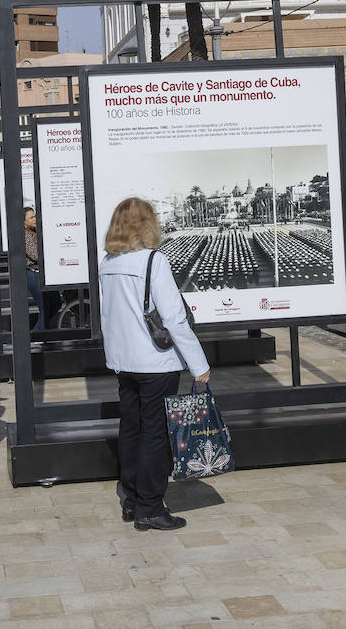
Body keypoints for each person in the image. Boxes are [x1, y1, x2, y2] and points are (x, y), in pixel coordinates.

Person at [99, 197, 210, 532]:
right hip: (155, 362)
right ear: (148, 225)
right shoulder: (153, 261)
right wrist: (199, 364)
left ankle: (132, 498)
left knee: (131, 428)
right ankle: (150, 506)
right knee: (155, 435)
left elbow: (108, 314)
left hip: (124, 361)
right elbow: (175, 319)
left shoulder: (107, 261)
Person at [24, 207, 48, 330]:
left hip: (38, 272)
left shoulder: (35, 231)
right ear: (23, 221)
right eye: (31, 217)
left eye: (35, 216)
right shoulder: (25, 235)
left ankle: (39, 333)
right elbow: (35, 255)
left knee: (52, 304)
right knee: (44, 306)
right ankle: (37, 335)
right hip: (33, 273)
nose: (35, 219)